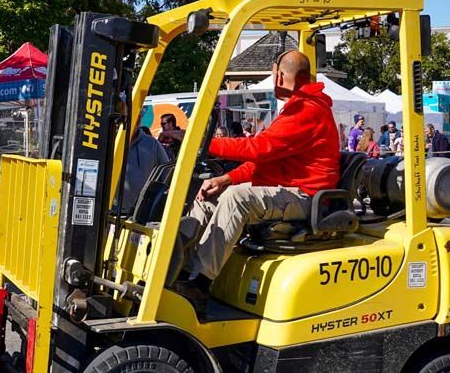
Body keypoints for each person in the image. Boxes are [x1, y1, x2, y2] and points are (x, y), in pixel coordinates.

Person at [177, 51, 339, 305]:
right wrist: (225, 179)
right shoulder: (297, 108)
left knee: (236, 198)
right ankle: (180, 272)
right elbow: (264, 162)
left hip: (305, 197)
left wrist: (201, 142)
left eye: (272, 74)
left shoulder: (307, 111)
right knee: (207, 195)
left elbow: (259, 148)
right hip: (285, 189)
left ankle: (200, 284)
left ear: (280, 75)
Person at [122, 127, 170, 212]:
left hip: (139, 212)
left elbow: (167, 174)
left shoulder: (152, 144)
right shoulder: (109, 140)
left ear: (139, 118)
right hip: (110, 210)